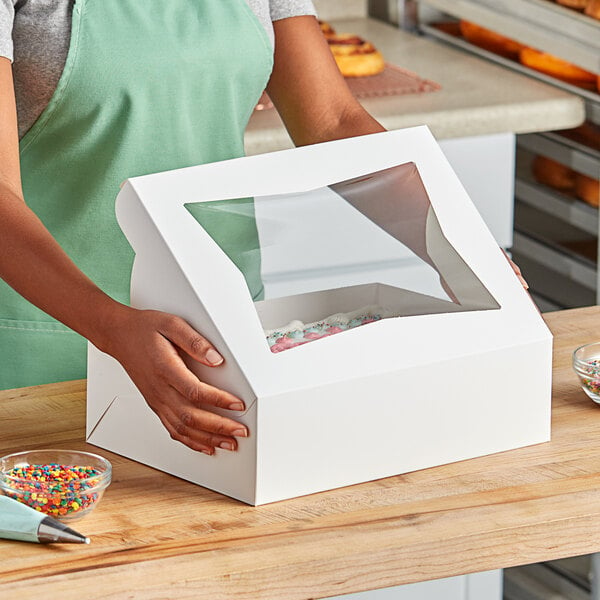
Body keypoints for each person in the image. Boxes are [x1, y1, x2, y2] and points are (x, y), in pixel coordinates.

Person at [0, 1, 386, 454]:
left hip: (218, 338)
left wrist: (467, 246)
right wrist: (111, 328)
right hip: (41, 349)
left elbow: (333, 123)